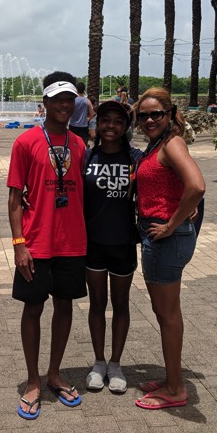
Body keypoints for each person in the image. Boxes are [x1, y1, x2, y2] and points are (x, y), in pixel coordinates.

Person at [7, 71, 88, 420]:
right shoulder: (25, 143)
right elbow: (13, 200)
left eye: (69, 99)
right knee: (33, 309)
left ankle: (55, 372)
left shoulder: (80, 145)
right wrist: (18, 244)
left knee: (65, 306)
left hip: (72, 242)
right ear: (45, 104)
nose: (64, 105)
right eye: (57, 100)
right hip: (36, 243)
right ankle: (32, 380)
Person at [133, 87, 206, 410]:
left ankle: (175, 389)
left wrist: (172, 224)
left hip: (165, 239)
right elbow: (184, 189)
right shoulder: (157, 145)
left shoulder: (172, 144)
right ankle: (171, 378)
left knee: (168, 315)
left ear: (169, 114)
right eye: (143, 115)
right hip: (160, 237)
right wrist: (182, 212)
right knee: (164, 313)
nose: (149, 119)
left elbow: (197, 186)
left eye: (156, 114)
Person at [82, 101, 143, 394]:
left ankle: (116, 364)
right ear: (96, 124)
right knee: (97, 304)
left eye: (117, 121)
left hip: (123, 244)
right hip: (92, 243)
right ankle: (98, 362)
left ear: (126, 127)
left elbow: (164, 182)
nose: (110, 126)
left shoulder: (136, 158)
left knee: (120, 304)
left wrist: (191, 208)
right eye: (104, 120)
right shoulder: (86, 157)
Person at [69, 81, 94, 146]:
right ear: (84, 90)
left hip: (73, 125)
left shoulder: (73, 100)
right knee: (83, 145)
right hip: (83, 126)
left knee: (72, 145)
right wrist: (87, 119)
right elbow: (92, 114)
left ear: (76, 89)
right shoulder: (87, 101)